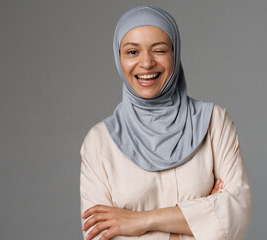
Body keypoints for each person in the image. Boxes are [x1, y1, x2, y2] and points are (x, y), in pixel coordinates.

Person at [80, 6, 251, 240]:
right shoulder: (99, 142)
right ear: (118, 58)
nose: (146, 63)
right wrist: (200, 219)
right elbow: (98, 234)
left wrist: (139, 221)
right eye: (132, 52)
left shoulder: (215, 122)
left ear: (175, 53)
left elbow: (237, 214)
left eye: (159, 50)